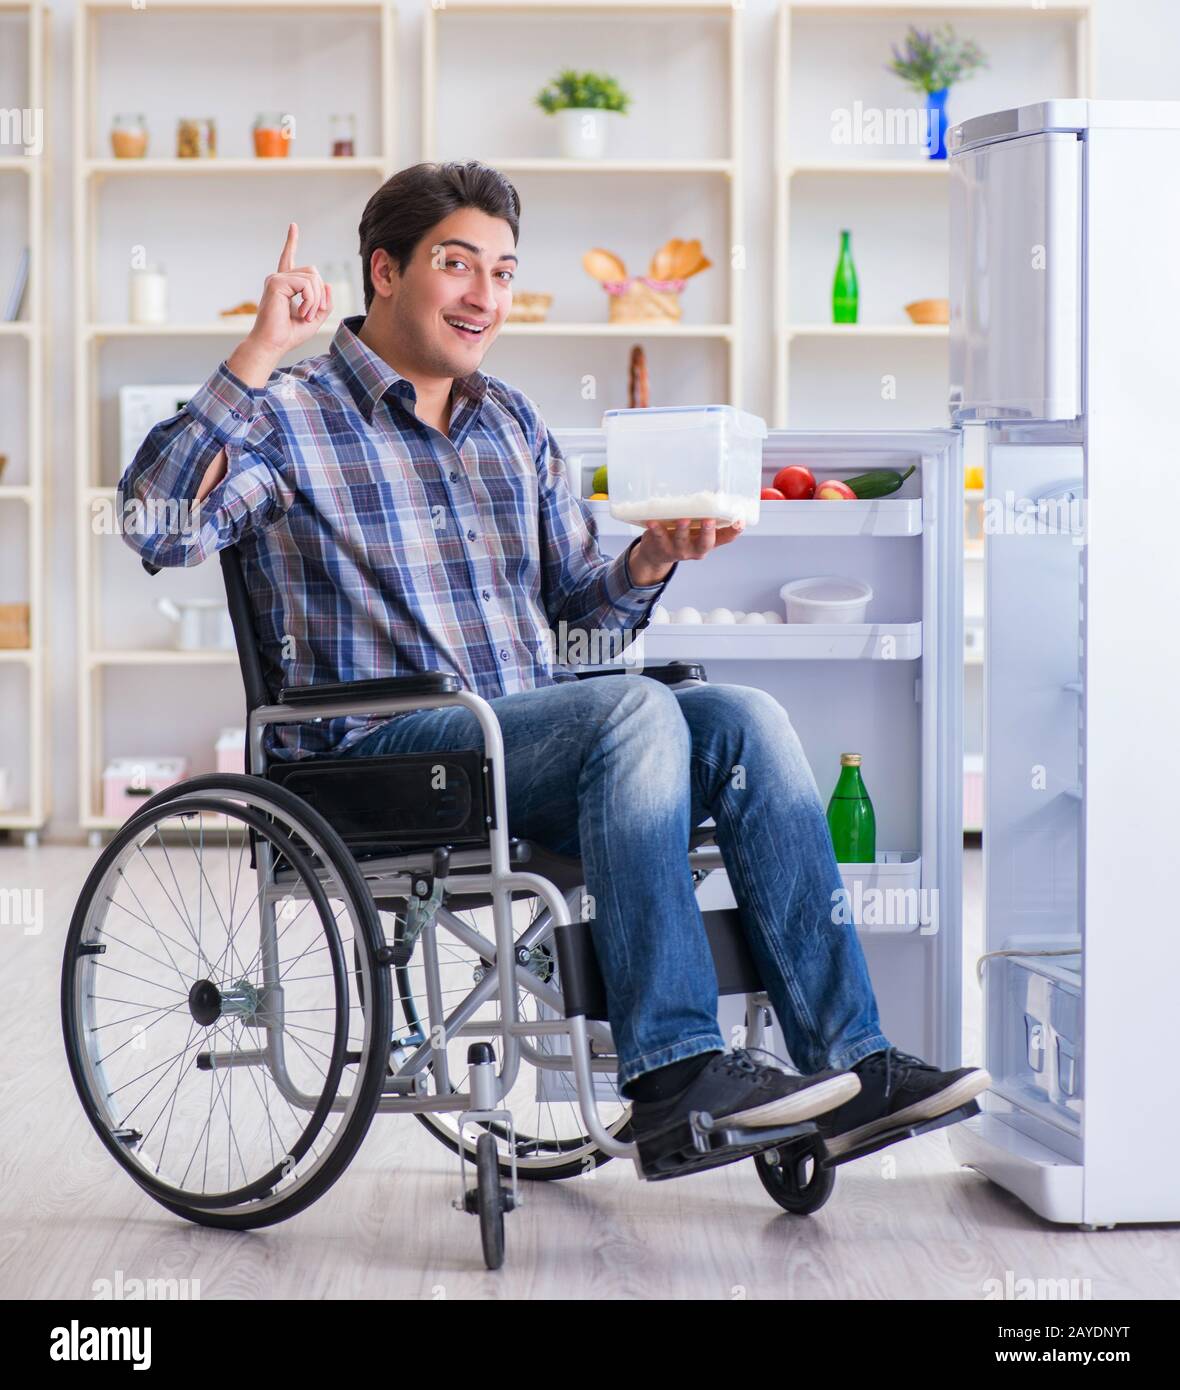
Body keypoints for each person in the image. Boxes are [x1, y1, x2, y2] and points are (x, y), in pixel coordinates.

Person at [118, 160, 989, 1178]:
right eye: (457, 264)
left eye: (501, 269)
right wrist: (261, 349)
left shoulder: (512, 425)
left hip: (525, 740)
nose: (484, 292)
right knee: (631, 716)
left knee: (740, 716)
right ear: (384, 271)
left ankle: (855, 1064)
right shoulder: (289, 411)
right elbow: (154, 523)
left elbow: (585, 612)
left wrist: (653, 556)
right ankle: (672, 1077)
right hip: (373, 760)